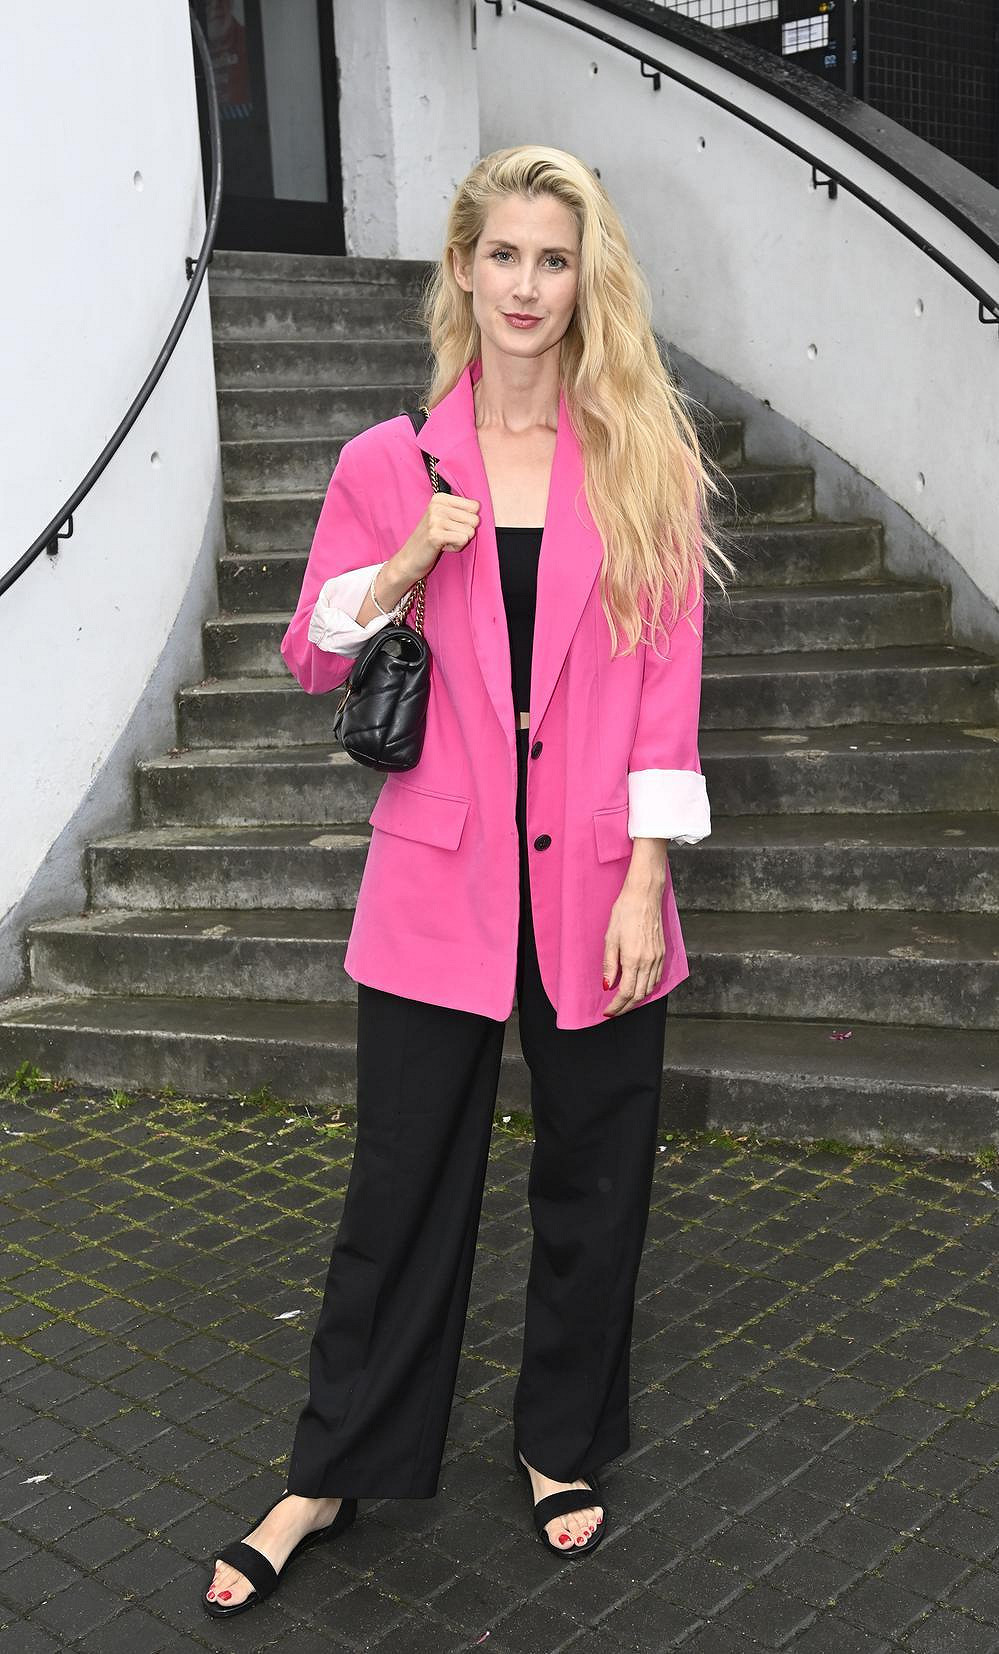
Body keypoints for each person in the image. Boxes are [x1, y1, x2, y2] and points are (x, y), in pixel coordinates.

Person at [203, 143, 733, 1619]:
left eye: (554, 260)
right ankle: (330, 1469)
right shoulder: (392, 462)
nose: (526, 285)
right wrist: (400, 566)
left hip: (596, 884)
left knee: (596, 1181)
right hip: (438, 881)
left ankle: (562, 1440)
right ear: (461, 268)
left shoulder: (642, 460)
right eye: (504, 254)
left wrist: (646, 879)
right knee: (398, 1188)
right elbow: (311, 654)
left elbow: (666, 690)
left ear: (584, 281)